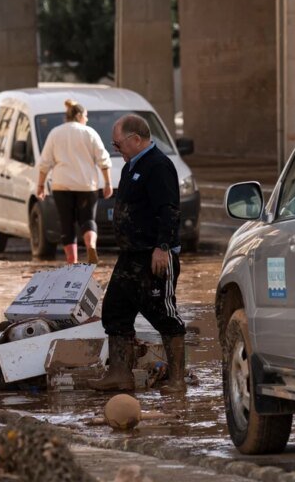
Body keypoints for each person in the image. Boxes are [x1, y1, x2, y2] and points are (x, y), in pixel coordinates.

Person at [88, 114, 186, 394]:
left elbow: (169, 210)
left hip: (153, 255)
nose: (115, 148)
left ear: (136, 139)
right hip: (130, 256)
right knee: (115, 311)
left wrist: (162, 247)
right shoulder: (131, 166)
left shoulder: (158, 166)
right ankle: (119, 373)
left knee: (164, 314)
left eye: (118, 144)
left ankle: (177, 379)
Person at [37, 99, 113, 264]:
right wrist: (107, 183)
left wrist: (41, 185)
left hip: (61, 185)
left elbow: (45, 163)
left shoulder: (55, 133)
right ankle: (90, 245)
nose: (87, 120)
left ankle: (73, 261)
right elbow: (103, 160)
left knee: (67, 223)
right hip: (86, 185)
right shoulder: (89, 133)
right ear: (79, 116)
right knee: (88, 220)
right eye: (86, 116)